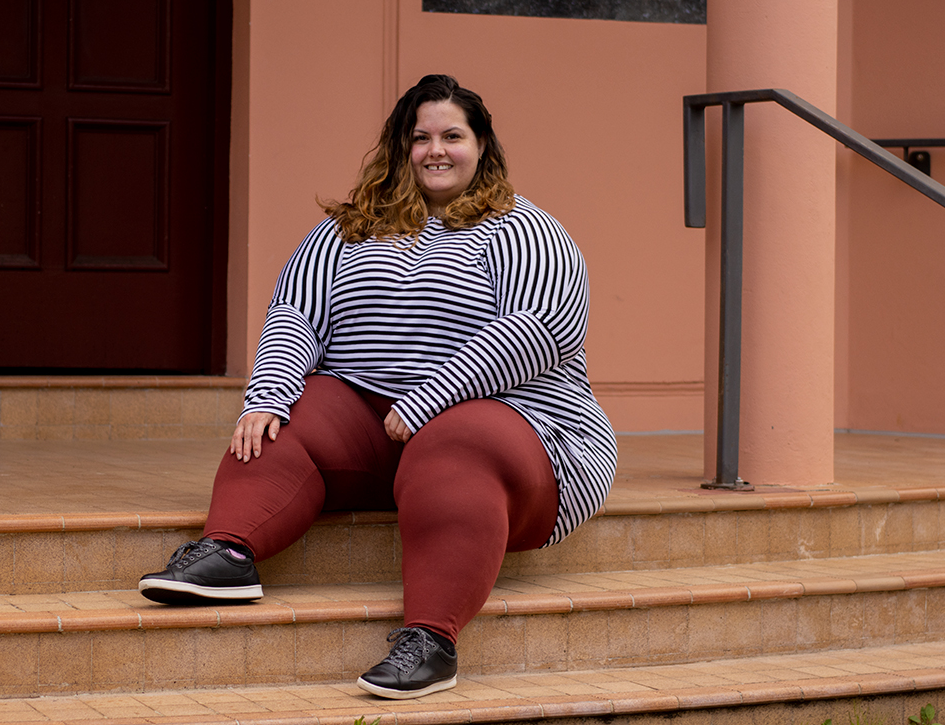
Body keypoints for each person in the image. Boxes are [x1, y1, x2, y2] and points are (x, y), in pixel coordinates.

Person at [138, 74, 617, 700]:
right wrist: (267, 396)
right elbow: (295, 314)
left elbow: (540, 330)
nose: (436, 150)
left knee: (458, 441)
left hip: (517, 432)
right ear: (401, 147)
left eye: (453, 135)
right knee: (295, 414)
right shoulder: (347, 230)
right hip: (376, 429)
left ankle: (431, 640)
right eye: (421, 138)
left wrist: (432, 396)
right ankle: (227, 553)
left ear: (482, 147)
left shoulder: (524, 229)